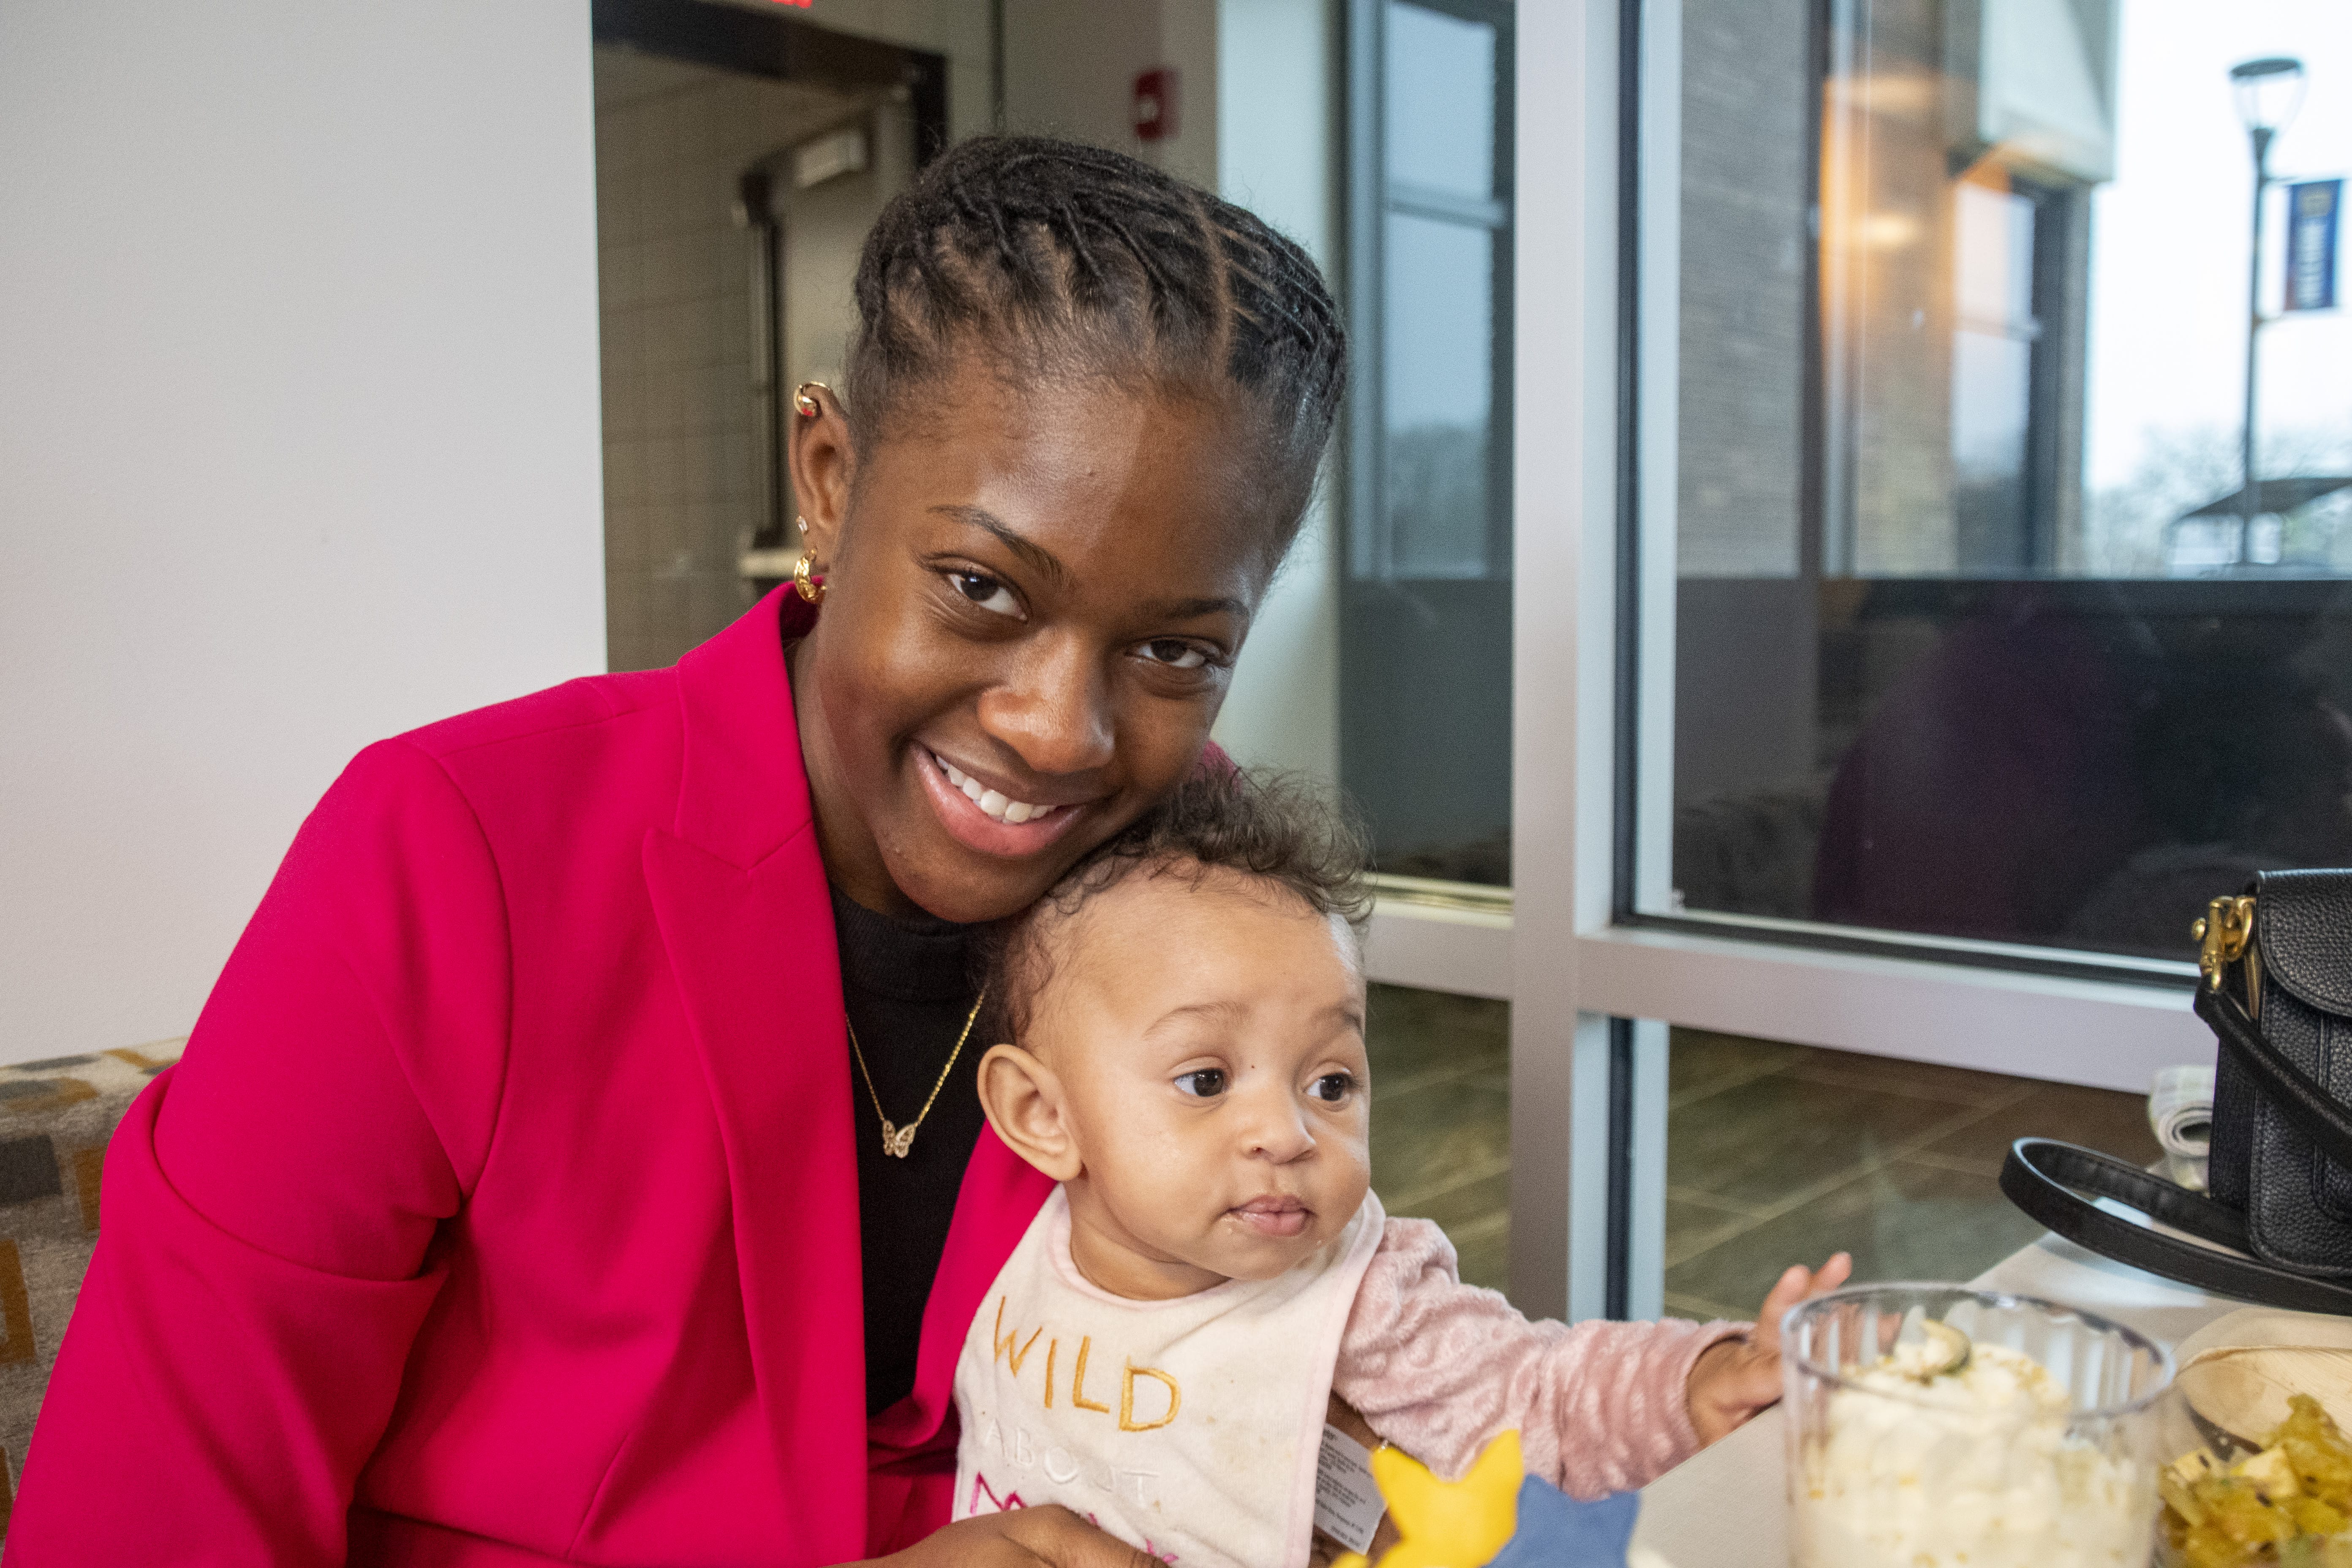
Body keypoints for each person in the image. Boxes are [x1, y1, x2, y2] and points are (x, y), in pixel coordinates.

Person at [8, 136, 1345, 1567]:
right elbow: (144, 1530)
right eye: (978, 587)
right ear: (827, 479)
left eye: (1169, 649)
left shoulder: (1206, 899)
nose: (1056, 728)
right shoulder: (450, 855)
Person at [953, 770, 1853, 1565]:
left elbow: (1541, 1395)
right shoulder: (1020, 1252)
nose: (1287, 1129)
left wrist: (1698, 1380)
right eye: (1207, 1078)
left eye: (1331, 1080)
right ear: (1044, 1116)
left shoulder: (1362, 1296)